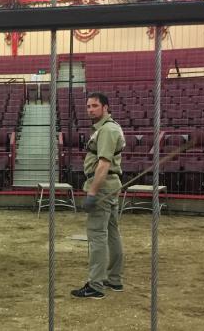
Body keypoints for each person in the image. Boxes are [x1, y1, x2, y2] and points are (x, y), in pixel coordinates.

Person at [71, 92, 126, 300]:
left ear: (106, 107)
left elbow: (103, 164)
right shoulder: (108, 128)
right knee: (112, 232)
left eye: (95, 106)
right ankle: (114, 279)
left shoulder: (107, 130)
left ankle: (96, 285)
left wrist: (92, 192)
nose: (90, 109)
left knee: (97, 236)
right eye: (88, 106)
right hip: (109, 185)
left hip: (102, 186)